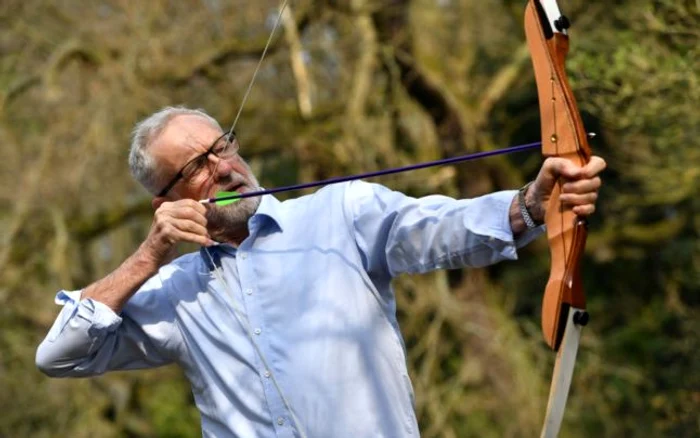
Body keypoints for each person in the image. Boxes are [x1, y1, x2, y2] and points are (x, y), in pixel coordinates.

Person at [36, 106, 606, 437]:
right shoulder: (174, 292)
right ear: (167, 203)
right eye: (197, 166)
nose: (226, 167)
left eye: (224, 146)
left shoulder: (341, 212)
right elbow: (58, 355)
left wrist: (533, 203)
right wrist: (146, 257)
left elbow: (446, 229)